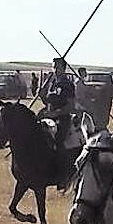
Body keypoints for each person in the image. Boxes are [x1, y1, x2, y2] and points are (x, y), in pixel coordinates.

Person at [40, 57, 76, 188]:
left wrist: (55, 113)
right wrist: (45, 83)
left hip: (62, 119)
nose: (55, 70)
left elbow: (71, 106)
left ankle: (63, 175)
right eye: (53, 67)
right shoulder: (52, 82)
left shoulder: (67, 84)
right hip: (48, 116)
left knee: (59, 142)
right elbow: (44, 97)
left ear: (63, 68)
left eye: (57, 67)